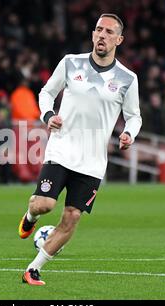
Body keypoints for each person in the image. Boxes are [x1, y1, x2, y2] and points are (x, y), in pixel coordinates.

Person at [18, 14, 142, 285]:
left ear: (119, 40)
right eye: (98, 29)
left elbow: (134, 116)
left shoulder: (127, 78)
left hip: (93, 161)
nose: (102, 35)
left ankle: (33, 270)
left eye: (109, 32)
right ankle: (30, 217)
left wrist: (129, 133)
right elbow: (46, 93)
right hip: (62, 148)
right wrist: (48, 115)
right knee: (44, 204)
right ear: (92, 34)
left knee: (72, 217)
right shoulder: (70, 62)